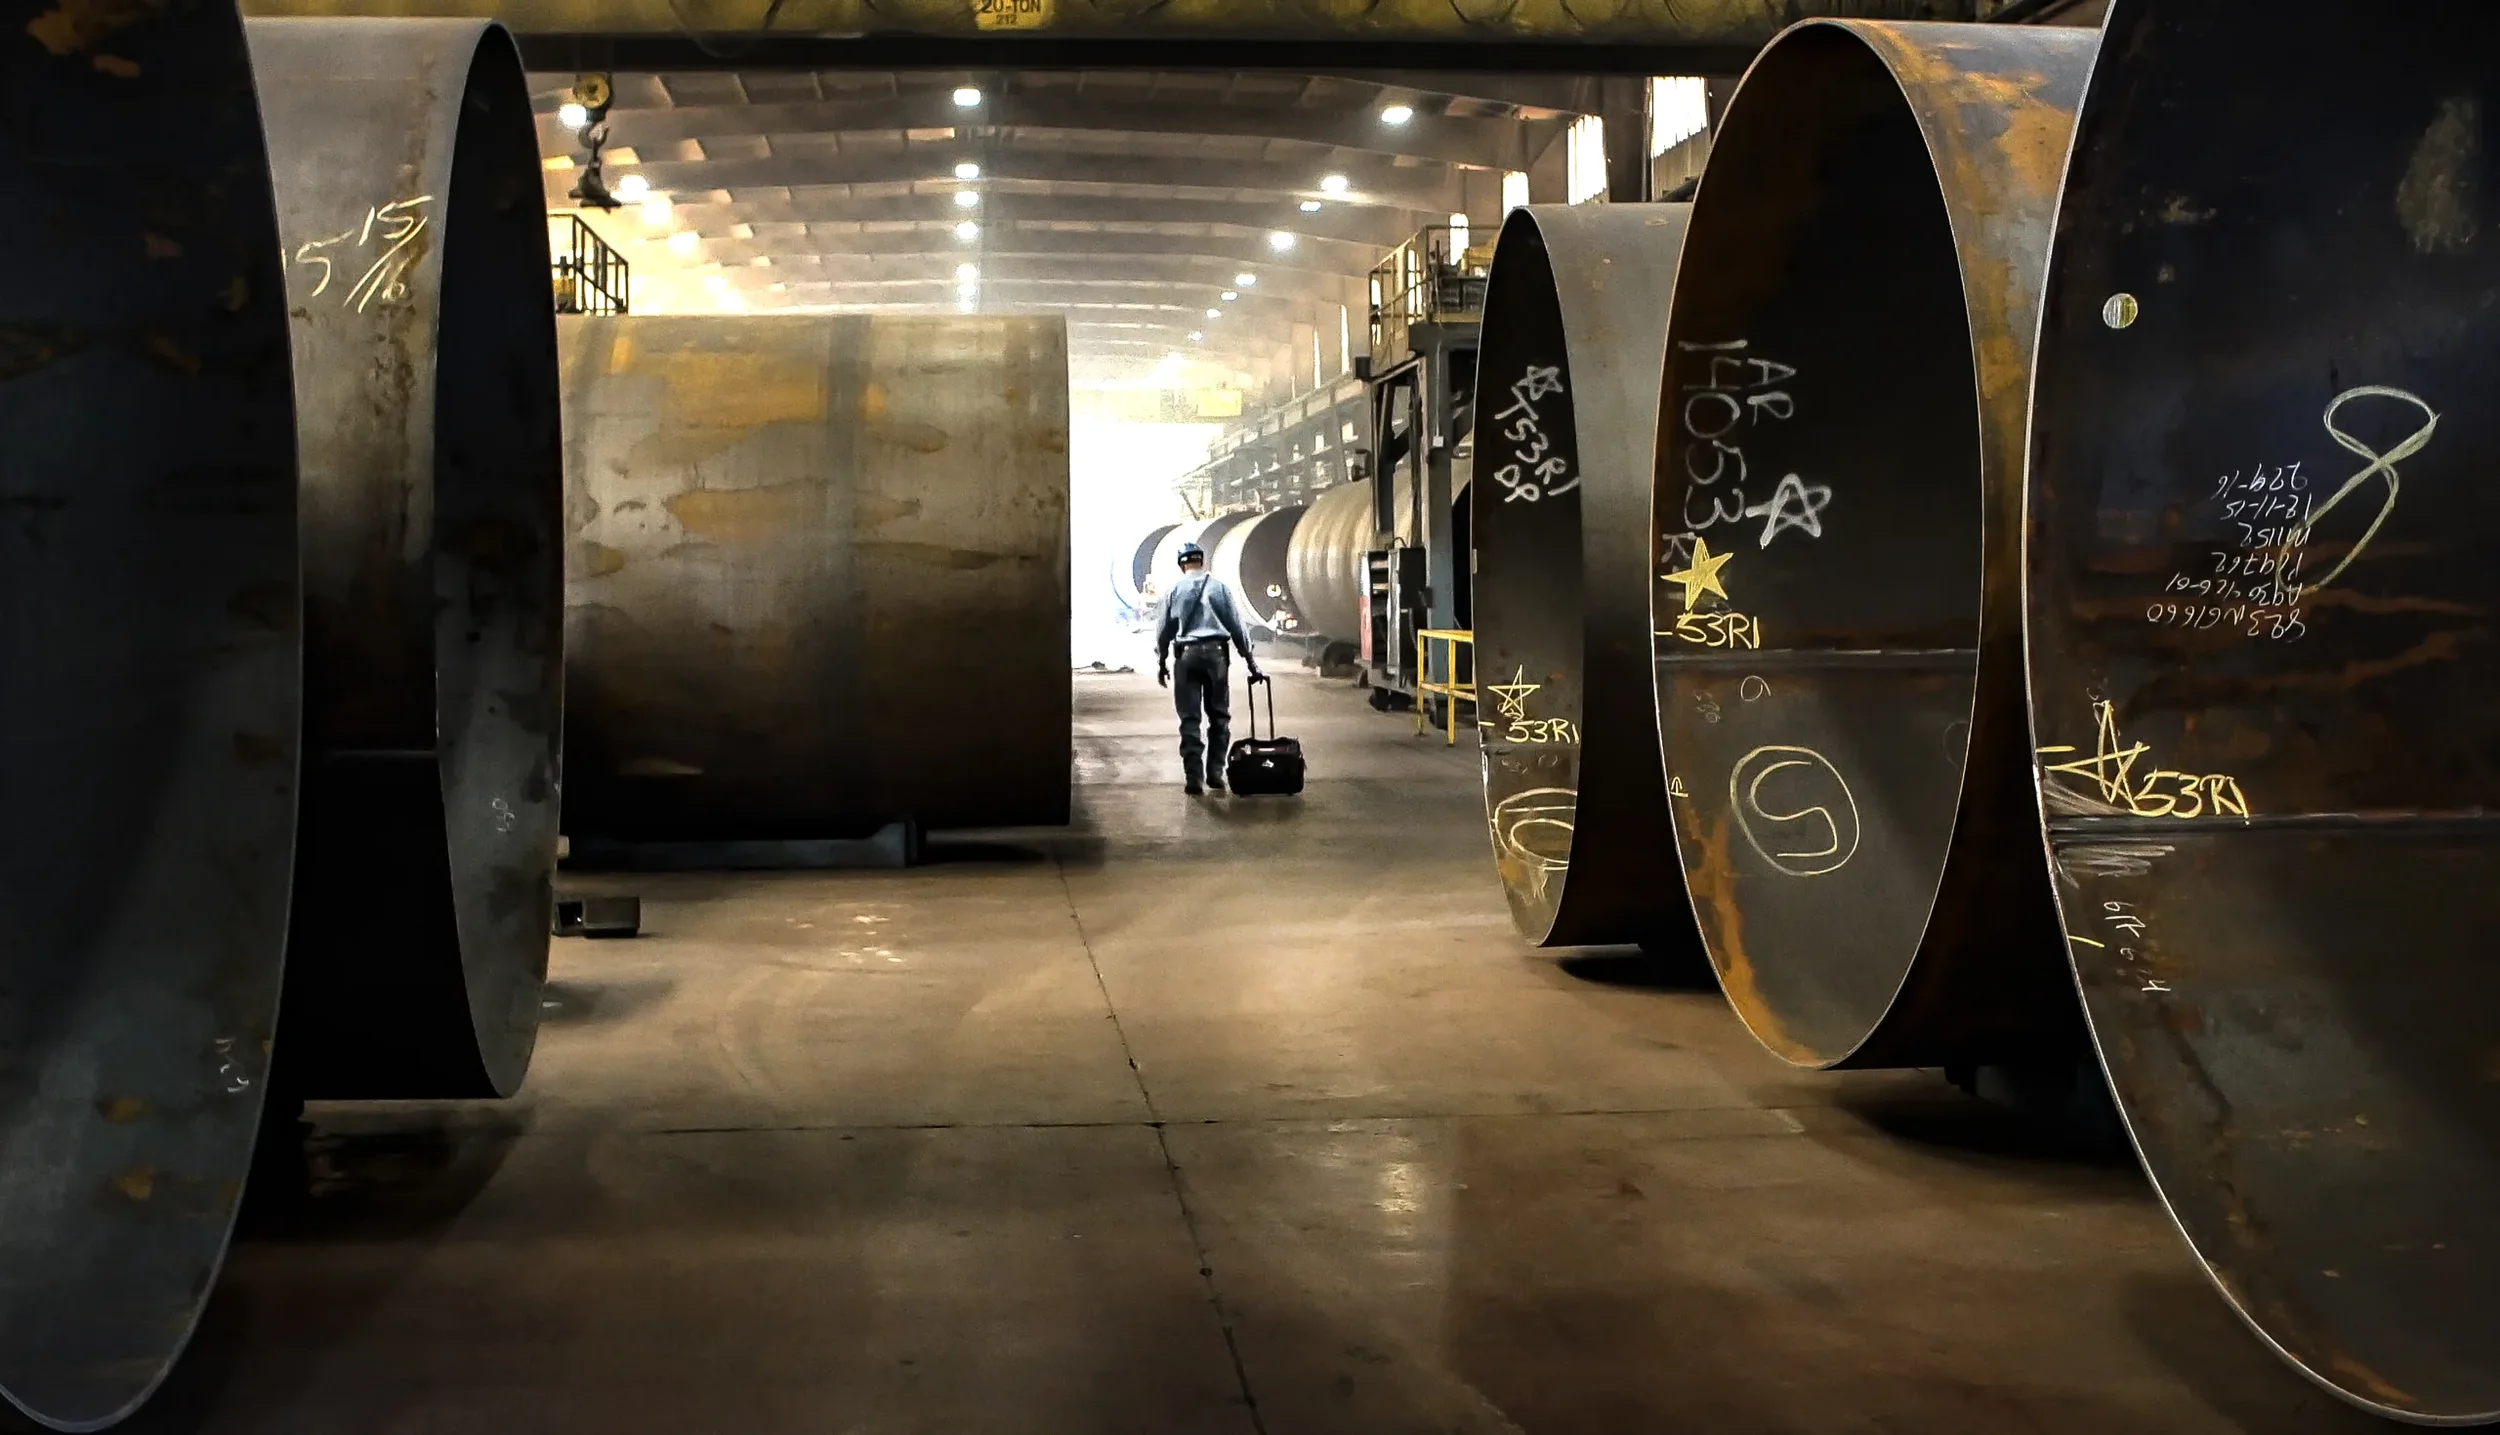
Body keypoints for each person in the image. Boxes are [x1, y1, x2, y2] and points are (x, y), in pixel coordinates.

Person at [1156, 541, 1264, 795]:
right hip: (1217, 656)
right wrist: (1250, 661)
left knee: (1190, 719)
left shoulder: (1174, 591)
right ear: (1201, 561)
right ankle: (1215, 773)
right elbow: (1237, 627)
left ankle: (1194, 778)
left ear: (1182, 563)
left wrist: (1161, 661)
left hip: (1187, 657)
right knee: (1219, 716)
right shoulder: (1220, 589)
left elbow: (1163, 630)